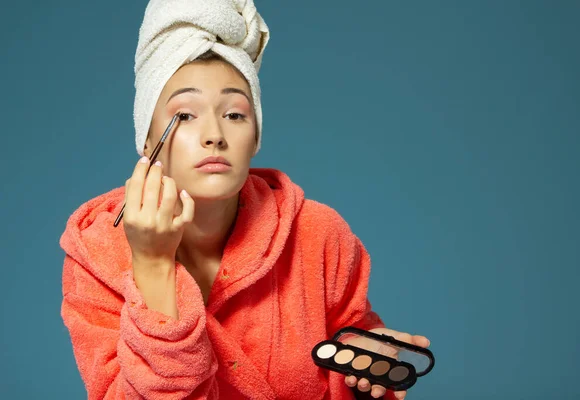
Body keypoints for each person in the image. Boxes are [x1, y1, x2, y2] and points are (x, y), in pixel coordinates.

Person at [59, 1, 430, 399]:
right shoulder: (99, 255)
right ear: (147, 141)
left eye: (235, 114)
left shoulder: (319, 235)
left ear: (255, 138)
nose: (214, 134)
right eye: (184, 115)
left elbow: (352, 340)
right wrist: (151, 265)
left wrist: (366, 370)